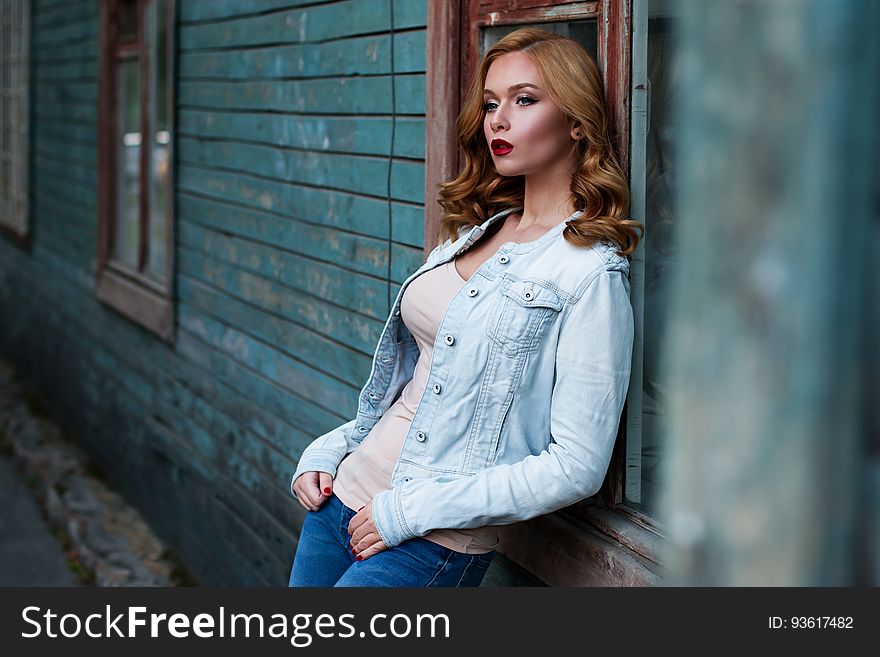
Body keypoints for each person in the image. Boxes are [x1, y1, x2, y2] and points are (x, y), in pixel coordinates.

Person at [287, 27, 643, 587]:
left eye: (524, 100)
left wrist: (408, 511)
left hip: (424, 542)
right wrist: (332, 450)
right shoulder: (474, 235)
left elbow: (576, 467)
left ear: (576, 121)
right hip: (339, 504)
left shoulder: (588, 272)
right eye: (491, 103)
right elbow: (416, 383)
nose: (497, 120)